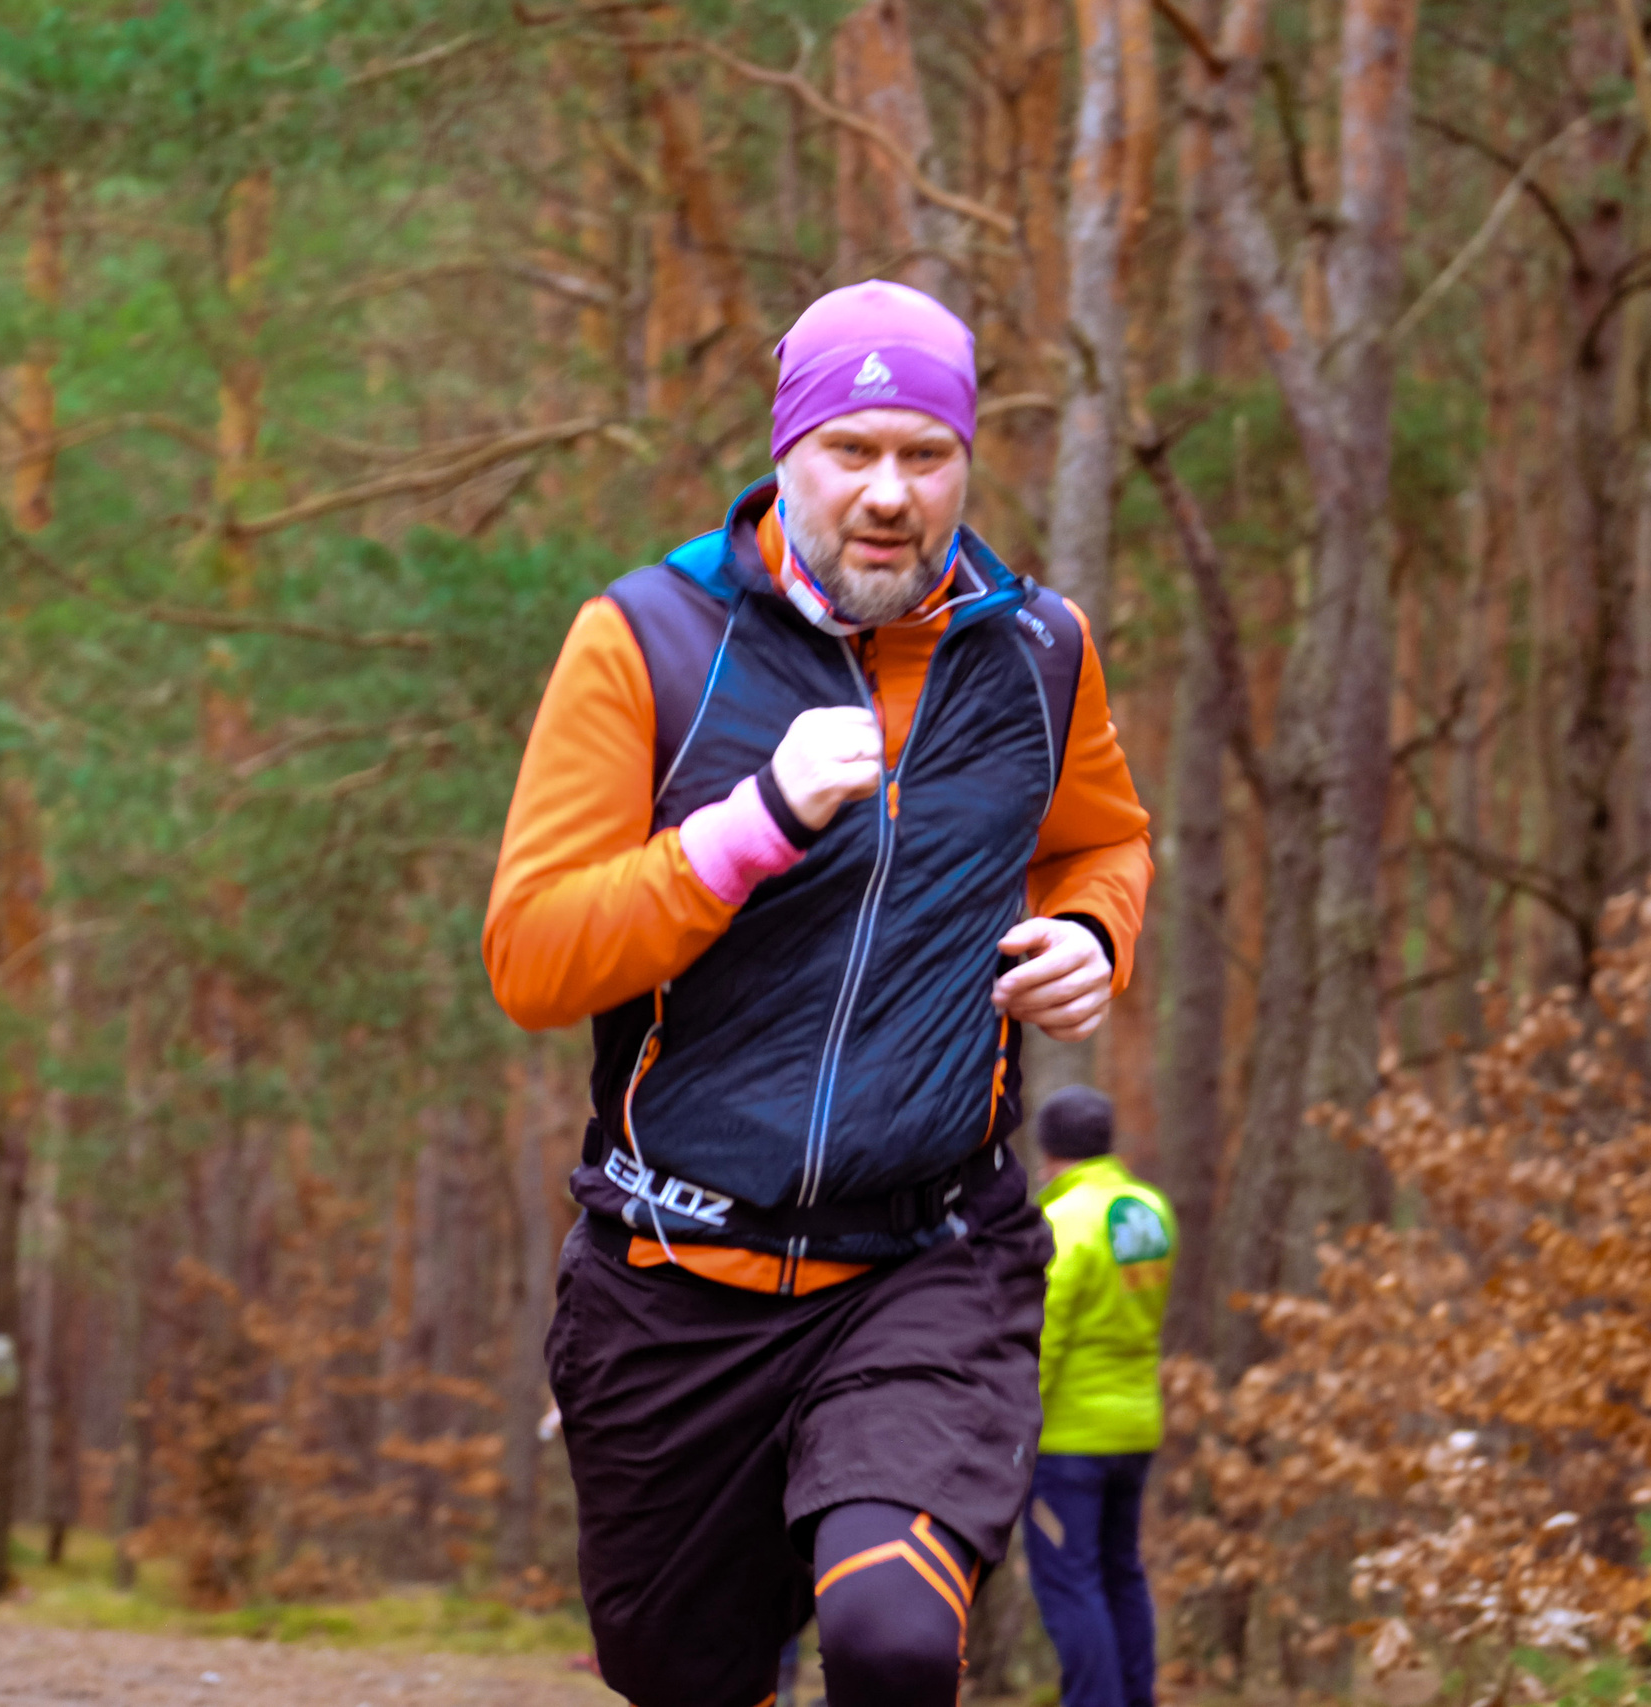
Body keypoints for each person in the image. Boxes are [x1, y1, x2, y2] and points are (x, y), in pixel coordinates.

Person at [484, 279, 1152, 1707]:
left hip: (924, 1264)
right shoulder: (651, 638)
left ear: (968, 459)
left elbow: (1103, 833)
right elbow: (533, 955)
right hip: (673, 1284)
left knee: (894, 1639)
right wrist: (750, 828)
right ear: (787, 453)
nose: (891, 494)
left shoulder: (1038, 648)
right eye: (854, 451)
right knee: (685, 1674)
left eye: (927, 454)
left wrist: (1093, 928)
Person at [1023, 1088, 1175, 1707]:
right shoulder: (1148, 1209)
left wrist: (1011, 1423)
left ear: (1047, 1150)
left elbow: (1041, 1337)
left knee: (1072, 1585)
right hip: (1136, 1426)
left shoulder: (1062, 1223)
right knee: (1122, 1574)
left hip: (1069, 1439)